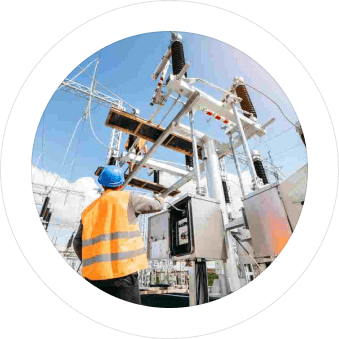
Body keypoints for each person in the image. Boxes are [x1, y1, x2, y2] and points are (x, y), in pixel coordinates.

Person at [73, 165, 164, 304]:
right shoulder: (128, 199)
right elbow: (157, 206)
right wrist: (160, 198)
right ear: (121, 185)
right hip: (124, 274)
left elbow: (77, 242)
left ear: (102, 185)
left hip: (94, 278)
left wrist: (91, 264)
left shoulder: (88, 211)